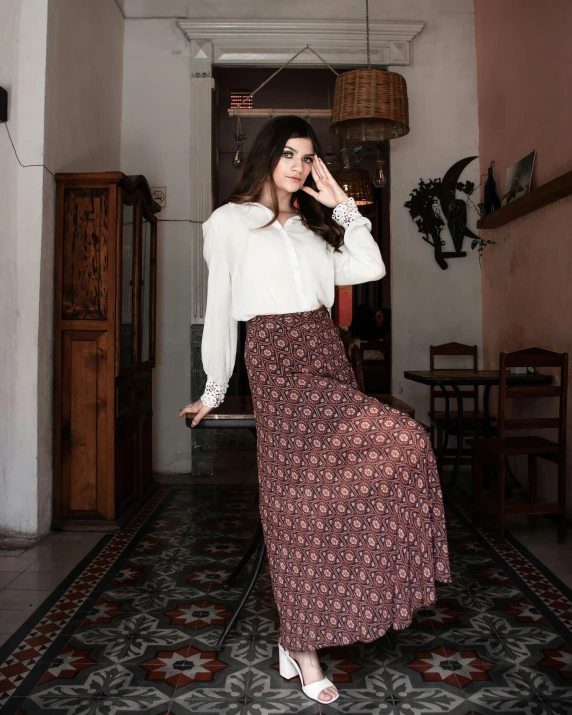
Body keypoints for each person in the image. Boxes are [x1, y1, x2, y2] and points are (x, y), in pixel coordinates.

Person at [179, 116, 451, 705]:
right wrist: (216, 387)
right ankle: (303, 647)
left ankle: (303, 628)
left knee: (397, 448)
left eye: (309, 158)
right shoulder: (228, 223)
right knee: (294, 505)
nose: (300, 166)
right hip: (276, 360)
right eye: (290, 155)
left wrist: (344, 206)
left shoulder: (313, 230)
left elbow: (371, 267)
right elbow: (222, 306)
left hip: (325, 353)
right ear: (266, 156)